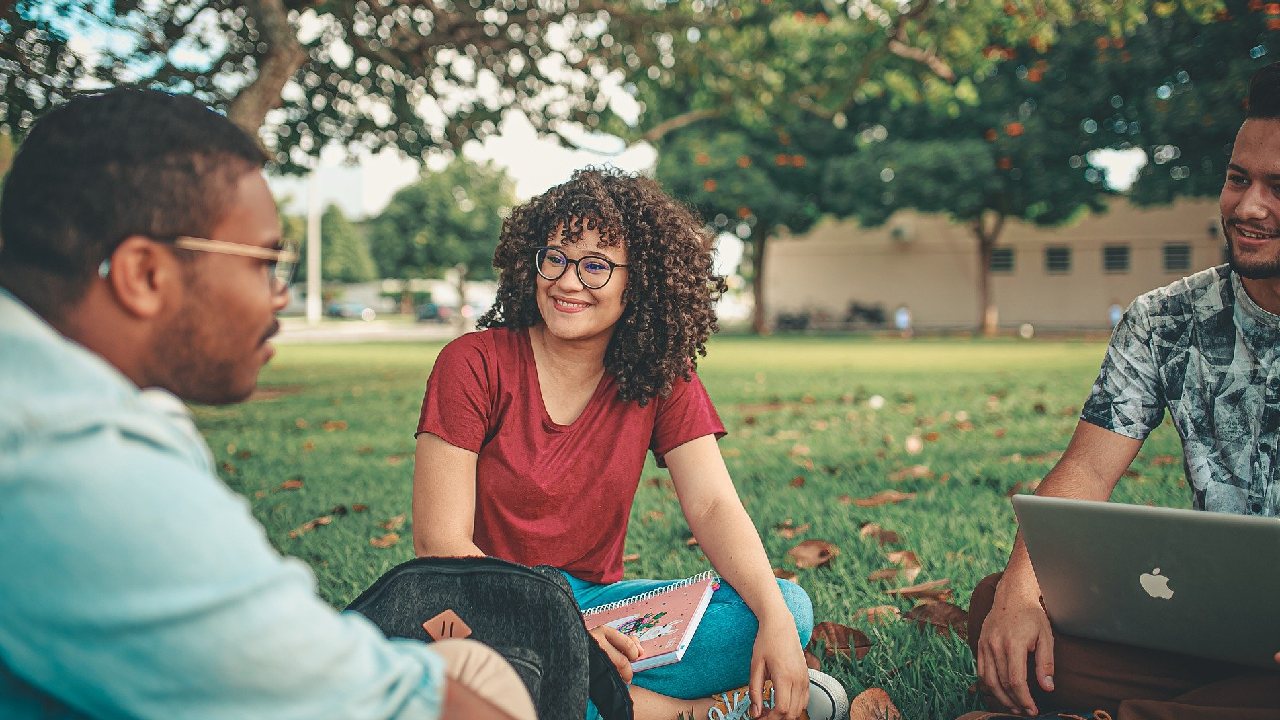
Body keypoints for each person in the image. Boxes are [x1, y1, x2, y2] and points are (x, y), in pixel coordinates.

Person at [0, 88, 534, 720]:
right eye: (265, 263)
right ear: (145, 275)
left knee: (467, 663)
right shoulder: (76, 465)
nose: (280, 295)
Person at [412, 168, 844, 720]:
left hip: (597, 609)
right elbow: (440, 545)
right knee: (477, 683)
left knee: (784, 605)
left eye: (595, 265)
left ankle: (588, 696)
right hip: (483, 609)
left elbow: (712, 504)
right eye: (556, 257)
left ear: (638, 280)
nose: (568, 282)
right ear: (532, 262)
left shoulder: (661, 374)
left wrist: (778, 627)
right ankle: (690, 712)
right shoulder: (472, 363)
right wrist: (563, 639)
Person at [961, 62, 1280, 720]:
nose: (1248, 207)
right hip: (1219, 630)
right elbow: (1086, 468)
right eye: (1238, 179)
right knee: (1001, 611)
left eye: (1279, 187)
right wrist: (1021, 594)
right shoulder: (1167, 319)